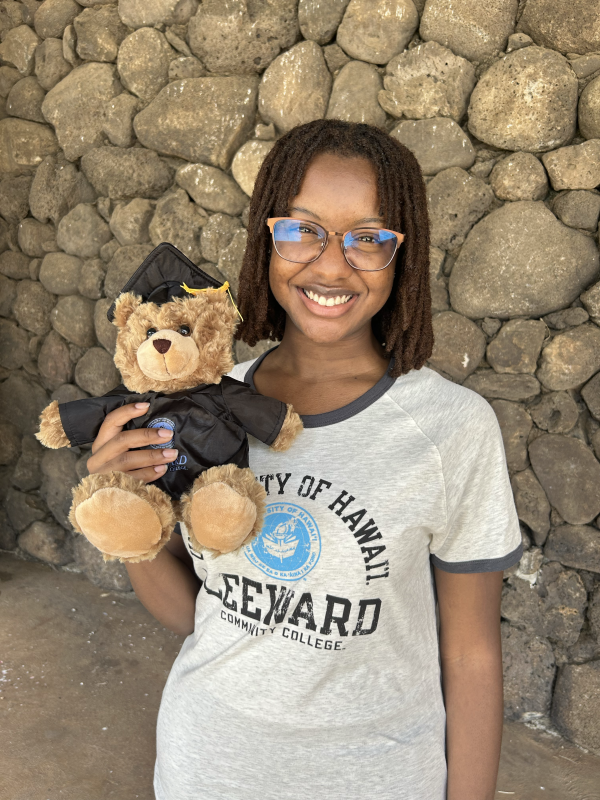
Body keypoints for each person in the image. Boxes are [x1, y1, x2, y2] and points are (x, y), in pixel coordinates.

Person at [85, 119, 522, 800]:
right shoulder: (202, 409)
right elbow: (204, 616)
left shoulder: (451, 429)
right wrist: (131, 516)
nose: (330, 263)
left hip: (376, 779)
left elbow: (470, 656)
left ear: (401, 255)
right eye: (302, 229)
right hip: (206, 768)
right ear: (267, 237)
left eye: (369, 238)